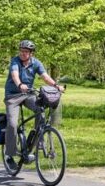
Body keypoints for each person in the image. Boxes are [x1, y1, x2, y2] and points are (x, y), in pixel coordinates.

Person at [4, 40, 64, 170]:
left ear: (31, 53)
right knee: (13, 124)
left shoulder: (36, 63)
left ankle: (39, 140)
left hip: (28, 94)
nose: (23, 53)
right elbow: (14, 75)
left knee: (40, 109)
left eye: (26, 52)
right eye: (21, 51)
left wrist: (56, 86)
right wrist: (20, 84)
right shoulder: (15, 61)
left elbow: (45, 76)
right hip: (12, 96)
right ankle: (9, 155)